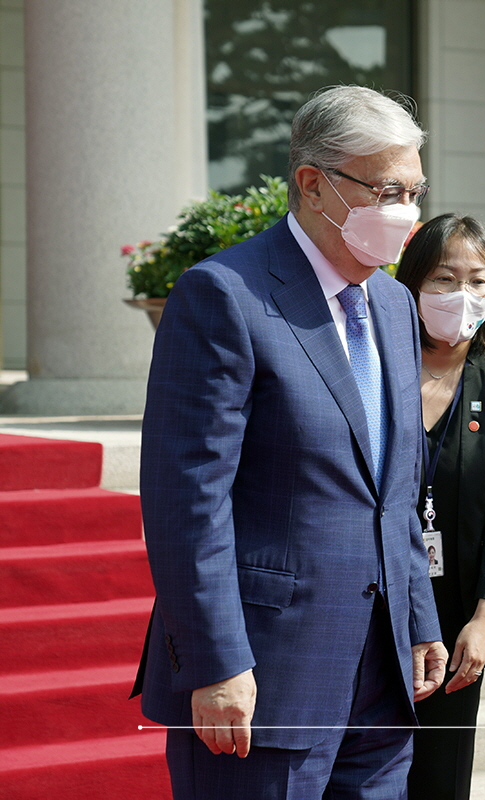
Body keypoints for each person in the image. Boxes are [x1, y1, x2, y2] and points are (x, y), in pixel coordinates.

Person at [133, 85, 448, 799]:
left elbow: (393, 488)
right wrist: (216, 663)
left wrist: (419, 619)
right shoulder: (225, 296)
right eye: (387, 189)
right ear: (313, 185)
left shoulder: (396, 305)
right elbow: (188, 501)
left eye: (414, 189)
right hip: (262, 680)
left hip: (382, 677)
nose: (406, 212)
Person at [395, 214, 485, 800]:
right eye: (444, 279)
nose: (462, 295)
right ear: (411, 285)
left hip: (458, 611)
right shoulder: (377, 368)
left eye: (478, 281)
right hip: (377, 601)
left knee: (440, 773)